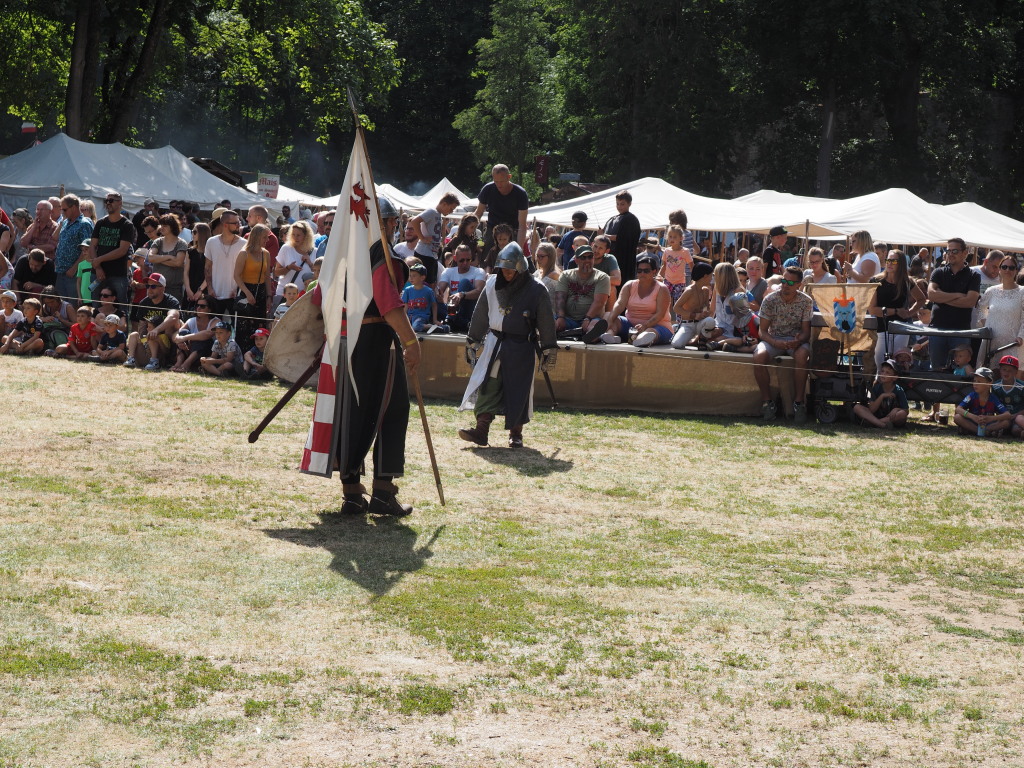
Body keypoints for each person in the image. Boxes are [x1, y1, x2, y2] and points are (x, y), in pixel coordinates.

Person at [300, 194, 421, 518]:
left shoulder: (339, 252)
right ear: (385, 224)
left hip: (341, 343)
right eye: (391, 222)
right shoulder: (378, 254)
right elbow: (389, 305)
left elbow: (319, 299)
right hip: (374, 343)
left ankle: (352, 495)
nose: (394, 227)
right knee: (392, 411)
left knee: (349, 415)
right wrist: (411, 342)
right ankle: (381, 493)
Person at [458, 242, 556, 448]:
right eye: (504, 269)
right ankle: (481, 430)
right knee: (488, 384)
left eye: (511, 270)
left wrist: (548, 347)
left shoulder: (537, 289)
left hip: (522, 346)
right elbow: (481, 314)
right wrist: (473, 339)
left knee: (518, 390)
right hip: (495, 344)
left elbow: (546, 320)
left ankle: (516, 433)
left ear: (521, 268)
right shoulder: (492, 284)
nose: (507, 273)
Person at [753, 265, 814, 423]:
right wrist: (775, 342)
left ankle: (799, 403)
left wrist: (798, 340)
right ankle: (767, 402)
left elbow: (806, 332)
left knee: (802, 355)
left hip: (795, 341)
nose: (785, 285)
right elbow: (762, 332)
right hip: (773, 338)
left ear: (799, 285)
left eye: (790, 282)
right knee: (758, 356)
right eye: (784, 281)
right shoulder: (770, 299)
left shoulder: (806, 301)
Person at [928, 237, 981, 371]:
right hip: (937, 330)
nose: (950, 254)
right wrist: (958, 295)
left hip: (961, 331)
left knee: (960, 372)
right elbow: (931, 295)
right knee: (937, 371)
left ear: (965, 253)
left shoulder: (974, 275)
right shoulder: (938, 272)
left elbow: (970, 301)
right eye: (948, 251)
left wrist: (942, 297)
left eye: (955, 251)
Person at [869, 249, 926, 372]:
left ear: (901, 264)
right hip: (883, 328)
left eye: (894, 261)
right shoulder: (876, 281)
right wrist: (896, 311)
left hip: (901, 328)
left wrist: (909, 312)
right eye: (888, 260)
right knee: (881, 366)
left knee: (898, 366)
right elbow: (872, 310)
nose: (889, 263)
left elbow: (921, 299)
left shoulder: (907, 281)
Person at [601, 256, 672, 347]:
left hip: (657, 326)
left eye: (646, 271)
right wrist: (611, 319)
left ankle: (642, 339)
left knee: (649, 332)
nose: (642, 273)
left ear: (654, 271)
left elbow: (660, 314)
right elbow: (620, 304)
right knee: (610, 316)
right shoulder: (629, 285)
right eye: (639, 271)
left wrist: (645, 326)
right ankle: (610, 336)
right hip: (631, 326)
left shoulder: (662, 289)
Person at [124, 273, 182, 370]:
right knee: (134, 334)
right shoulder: (144, 303)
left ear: (163, 288)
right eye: (147, 286)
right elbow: (141, 327)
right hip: (150, 342)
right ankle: (132, 359)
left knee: (174, 324)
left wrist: (156, 330)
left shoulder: (171, 301)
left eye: (153, 286)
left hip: (167, 343)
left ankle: (171, 360)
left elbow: (173, 317)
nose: (149, 289)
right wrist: (143, 341)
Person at [554, 245, 610, 343]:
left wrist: (587, 318)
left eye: (590, 257)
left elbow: (599, 302)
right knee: (550, 323)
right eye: (583, 257)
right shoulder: (565, 275)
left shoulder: (602, 277)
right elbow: (560, 298)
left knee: (595, 326)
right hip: (567, 319)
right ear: (576, 260)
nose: (587, 260)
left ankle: (591, 336)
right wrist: (561, 317)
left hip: (591, 319)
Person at [977, 252, 1024, 366]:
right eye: (1004, 267)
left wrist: (1021, 336)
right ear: (1000, 269)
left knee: (1011, 375)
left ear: (1016, 270)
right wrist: (986, 325)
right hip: (991, 342)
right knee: (988, 373)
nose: (1007, 270)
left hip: (1013, 343)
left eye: (1011, 267)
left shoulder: (1022, 292)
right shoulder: (991, 291)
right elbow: (980, 308)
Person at [88, 192, 133, 305]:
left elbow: (122, 250)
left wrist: (99, 259)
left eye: (111, 200)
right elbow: (92, 246)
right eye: (106, 201)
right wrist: (98, 267)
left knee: (120, 307)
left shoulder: (127, 225)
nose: (108, 203)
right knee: (96, 306)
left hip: (117, 274)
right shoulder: (100, 223)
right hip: (97, 273)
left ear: (120, 203)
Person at [473, 164, 529, 249]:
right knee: (485, 255)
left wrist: (519, 250)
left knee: (513, 255)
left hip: (512, 232)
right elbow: (478, 213)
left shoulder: (521, 193)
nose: (499, 185)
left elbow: (522, 224)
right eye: (496, 181)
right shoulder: (487, 189)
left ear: (509, 177)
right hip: (492, 231)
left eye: (502, 181)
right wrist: (467, 230)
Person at [409, 193, 459, 285]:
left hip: (432, 254)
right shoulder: (431, 211)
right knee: (425, 283)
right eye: (451, 208)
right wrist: (422, 238)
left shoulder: (438, 214)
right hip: (424, 253)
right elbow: (414, 221)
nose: (451, 211)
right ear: (444, 204)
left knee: (432, 283)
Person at [233, 223, 273, 341]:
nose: (267, 240)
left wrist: (269, 296)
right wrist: (247, 293)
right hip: (246, 289)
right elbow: (236, 275)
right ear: (256, 237)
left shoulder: (266, 253)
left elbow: (267, 276)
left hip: (261, 291)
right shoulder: (244, 253)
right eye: (264, 237)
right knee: (244, 326)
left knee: (259, 325)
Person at [204, 209, 247, 316]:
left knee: (234, 325)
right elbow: (208, 267)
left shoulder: (244, 244)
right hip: (215, 294)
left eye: (239, 222)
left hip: (235, 295)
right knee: (214, 324)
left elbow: (245, 270)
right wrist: (209, 288)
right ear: (225, 225)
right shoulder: (211, 242)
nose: (239, 225)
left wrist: (239, 290)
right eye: (235, 223)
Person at [436, 244, 487, 333]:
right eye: (462, 260)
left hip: (469, 309)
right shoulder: (448, 271)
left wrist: (462, 295)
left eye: (468, 260)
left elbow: (479, 292)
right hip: (453, 309)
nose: (465, 263)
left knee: (464, 282)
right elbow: (440, 289)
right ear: (455, 258)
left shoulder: (478, 271)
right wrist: (439, 295)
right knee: (431, 297)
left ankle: (452, 321)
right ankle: (461, 322)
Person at [852, 359, 909, 429]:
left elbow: (906, 410)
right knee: (857, 407)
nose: (883, 374)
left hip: (890, 418)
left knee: (902, 414)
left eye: (887, 372)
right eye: (882, 371)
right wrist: (882, 396)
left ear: (895, 378)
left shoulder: (899, 390)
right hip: (876, 415)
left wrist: (896, 409)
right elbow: (872, 409)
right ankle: (882, 425)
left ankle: (873, 423)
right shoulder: (876, 388)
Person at [954, 367, 1009, 437]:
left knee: (1006, 422)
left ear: (989, 384)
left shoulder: (993, 398)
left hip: (988, 424)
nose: (975, 384)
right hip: (973, 422)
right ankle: (981, 431)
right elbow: (958, 409)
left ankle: (973, 430)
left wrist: (990, 419)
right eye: (974, 381)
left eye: (979, 382)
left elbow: (1007, 415)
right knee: (957, 417)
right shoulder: (972, 396)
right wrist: (973, 417)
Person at [670, 262, 714, 349]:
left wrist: (706, 312)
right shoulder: (689, 290)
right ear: (705, 276)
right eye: (711, 276)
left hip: (700, 324)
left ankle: (702, 341)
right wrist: (695, 315)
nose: (712, 279)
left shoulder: (705, 290)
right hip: (688, 325)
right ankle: (679, 331)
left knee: (710, 321)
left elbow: (707, 308)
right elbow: (676, 308)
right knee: (677, 344)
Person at [273, 220, 314, 308]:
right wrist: (288, 268)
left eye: (298, 235)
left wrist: (310, 263)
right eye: (293, 234)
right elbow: (276, 272)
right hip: (285, 296)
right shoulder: (286, 248)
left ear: (306, 236)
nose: (295, 238)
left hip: (304, 296)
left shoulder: (314, 251)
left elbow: (318, 275)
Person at [602, 190, 642, 283]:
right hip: (608, 258)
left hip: (624, 260)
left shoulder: (631, 219)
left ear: (629, 204)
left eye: (622, 204)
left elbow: (623, 238)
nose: (619, 206)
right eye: (617, 204)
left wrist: (605, 236)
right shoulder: (612, 219)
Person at [147, 214, 188, 302]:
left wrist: (158, 259)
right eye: (161, 225)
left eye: (165, 226)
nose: (161, 228)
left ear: (172, 227)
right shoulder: (158, 242)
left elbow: (178, 263)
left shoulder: (181, 243)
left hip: (174, 289)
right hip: (156, 287)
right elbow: (150, 258)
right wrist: (169, 257)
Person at [171, 298, 217, 372]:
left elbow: (208, 334)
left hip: (207, 354)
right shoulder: (191, 320)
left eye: (202, 306)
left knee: (203, 339)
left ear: (210, 309)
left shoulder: (216, 321)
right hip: (189, 351)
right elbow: (176, 334)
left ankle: (186, 364)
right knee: (183, 332)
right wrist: (178, 340)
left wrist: (184, 338)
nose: (198, 308)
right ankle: (179, 362)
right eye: (197, 306)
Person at [658, 224, 693, 316]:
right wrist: (659, 276)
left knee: (678, 304)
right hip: (667, 280)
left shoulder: (685, 251)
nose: (672, 239)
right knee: (666, 302)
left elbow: (691, 266)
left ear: (681, 238)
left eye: (675, 237)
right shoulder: (667, 251)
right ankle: (666, 319)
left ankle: (679, 321)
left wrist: (694, 279)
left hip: (679, 282)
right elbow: (664, 266)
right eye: (670, 236)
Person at [402, 263, 441, 332]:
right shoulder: (407, 290)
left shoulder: (428, 291)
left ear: (422, 277)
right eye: (410, 275)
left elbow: (434, 305)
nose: (411, 278)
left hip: (422, 317)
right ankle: (434, 327)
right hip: (410, 317)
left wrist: (435, 319)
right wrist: (403, 319)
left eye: (414, 276)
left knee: (416, 326)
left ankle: (433, 327)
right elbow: (405, 305)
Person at [993, 355, 1024, 436]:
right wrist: (1001, 416)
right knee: (1003, 426)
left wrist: (1015, 415)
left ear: (1016, 372)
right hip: (1003, 418)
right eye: (1004, 369)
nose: (1006, 373)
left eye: (1010, 370)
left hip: (1018, 417)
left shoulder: (1021, 387)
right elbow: (994, 405)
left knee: (1016, 427)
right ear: (1000, 370)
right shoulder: (995, 386)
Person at [184, 222, 210, 310]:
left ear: (202, 234)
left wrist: (200, 290)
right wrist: (188, 289)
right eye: (192, 231)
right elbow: (186, 272)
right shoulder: (190, 251)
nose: (192, 234)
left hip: (205, 288)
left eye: (195, 232)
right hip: (190, 287)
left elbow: (209, 273)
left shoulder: (210, 252)